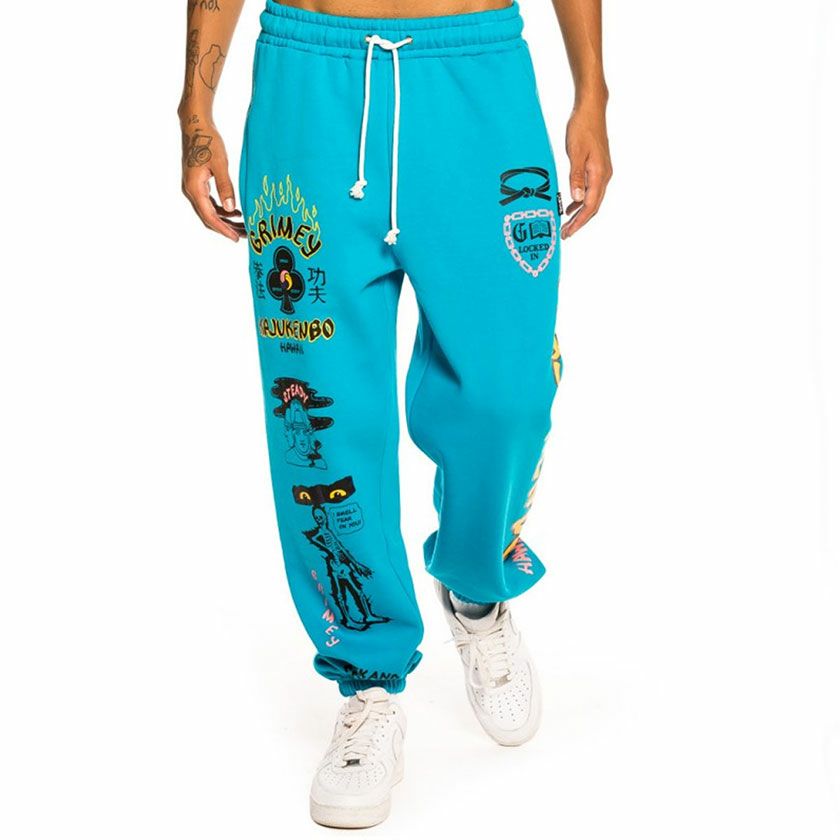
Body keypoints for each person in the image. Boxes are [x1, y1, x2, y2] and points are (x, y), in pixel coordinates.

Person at [178, 0, 610, 828]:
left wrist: (592, 92)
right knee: (321, 416)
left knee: (508, 394)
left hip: (478, 77)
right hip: (310, 84)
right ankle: (368, 679)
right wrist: (196, 112)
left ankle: (476, 585)